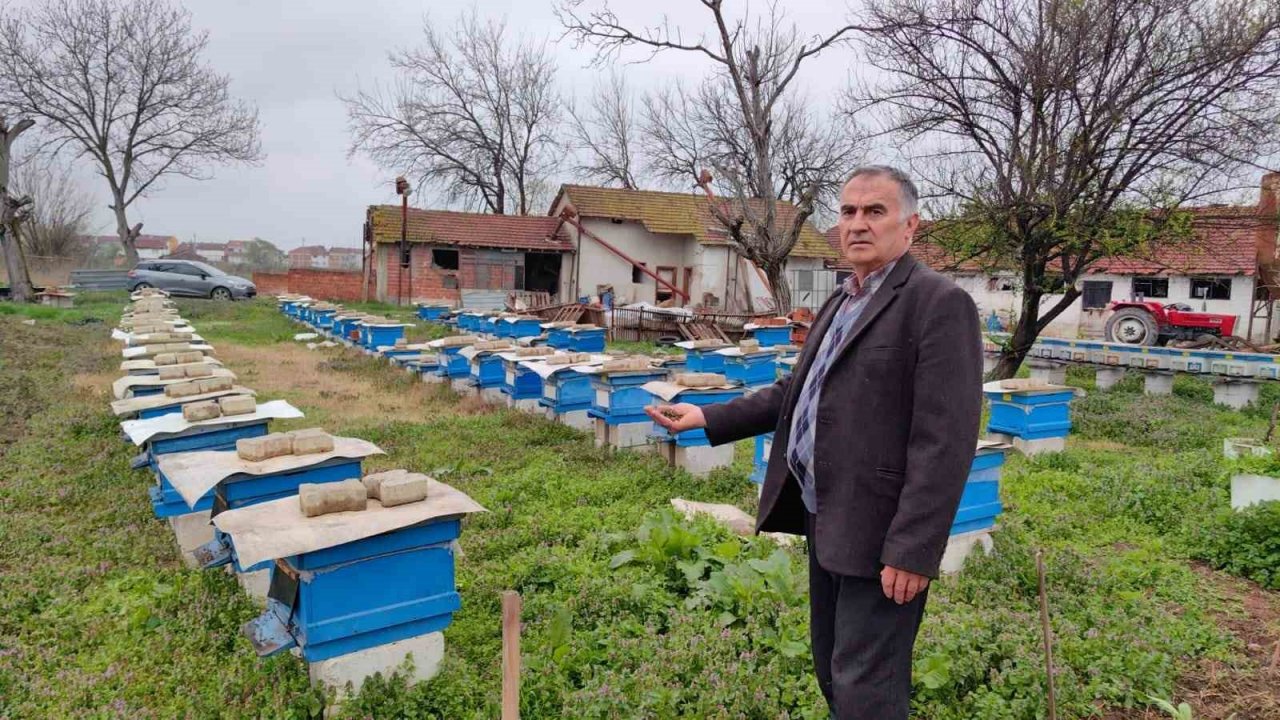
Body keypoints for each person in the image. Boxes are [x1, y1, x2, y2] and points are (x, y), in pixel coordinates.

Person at [647, 166, 982, 719]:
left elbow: (944, 440)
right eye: (848, 211)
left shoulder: (937, 303)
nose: (857, 224)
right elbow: (796, 392)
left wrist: (913, 549)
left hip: (882, 531)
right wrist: (706, 415)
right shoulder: (841, 300)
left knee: (867, 685)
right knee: (832, 668)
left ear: (911, 226)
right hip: (826, 514)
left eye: (875, 211)